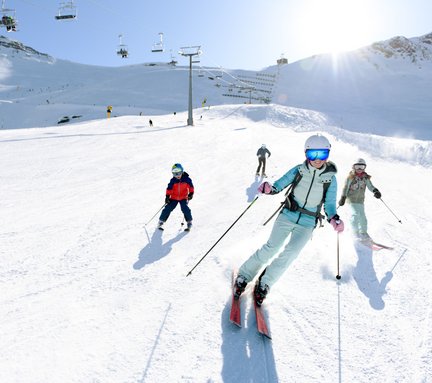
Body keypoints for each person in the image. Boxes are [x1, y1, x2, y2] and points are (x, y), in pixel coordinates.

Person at [234, 134, 344, 306]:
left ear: (327, 154)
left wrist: (334, 218)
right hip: (288, 214)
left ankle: (265, 282)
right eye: (313, 154)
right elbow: (278, 185)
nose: (317, 159)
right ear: (306, 154)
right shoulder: (298, 170)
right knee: (272, 247)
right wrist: (269, 188)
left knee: (291, 253)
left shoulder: (330, 179)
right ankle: (244, 275)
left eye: (321, 154)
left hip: (308, 222)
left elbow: (329, 204)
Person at [338, 158, 381, 239]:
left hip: (360, 200)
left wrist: (376, 191)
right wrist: (343, 197)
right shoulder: (351, 177)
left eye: (362, 167)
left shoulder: (365, 178)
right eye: (357, 166)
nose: (359, 169)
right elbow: (346, 187)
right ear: (353, 167)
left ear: (365, 167)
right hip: (351, 199)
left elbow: (370, 186)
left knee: (362, 217)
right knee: (355, 215)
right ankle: (355, 233)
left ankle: (363, 232)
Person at [158, 163, 194, 231]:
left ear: (182, 171)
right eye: (175, 174)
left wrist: (191, 193)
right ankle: (161, 221)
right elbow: (169, 188)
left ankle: (189, 222)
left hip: (183, 197)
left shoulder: (187, 179)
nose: (177, 176)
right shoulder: (173, 180)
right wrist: (167, 196)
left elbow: (191, 186)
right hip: (174, 198)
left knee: (185, 208)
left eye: (179, 173)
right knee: (168, 208)